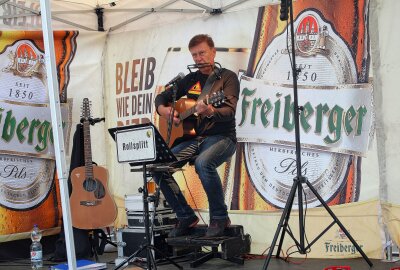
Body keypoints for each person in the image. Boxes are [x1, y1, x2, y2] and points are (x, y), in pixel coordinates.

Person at [154, 34, 240, 238]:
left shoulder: (227, 78)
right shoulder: (190, 79)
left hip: (223, 137)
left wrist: (210, 110)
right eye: (194, 55)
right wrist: (164, 111)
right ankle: (186, 216)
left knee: (203, 164)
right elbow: (162, 97)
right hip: (194, 139)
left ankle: (219, 217)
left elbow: (229, 110)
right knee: (158, 167)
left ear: (213, 51)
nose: (199, 58)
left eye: (202, 53)